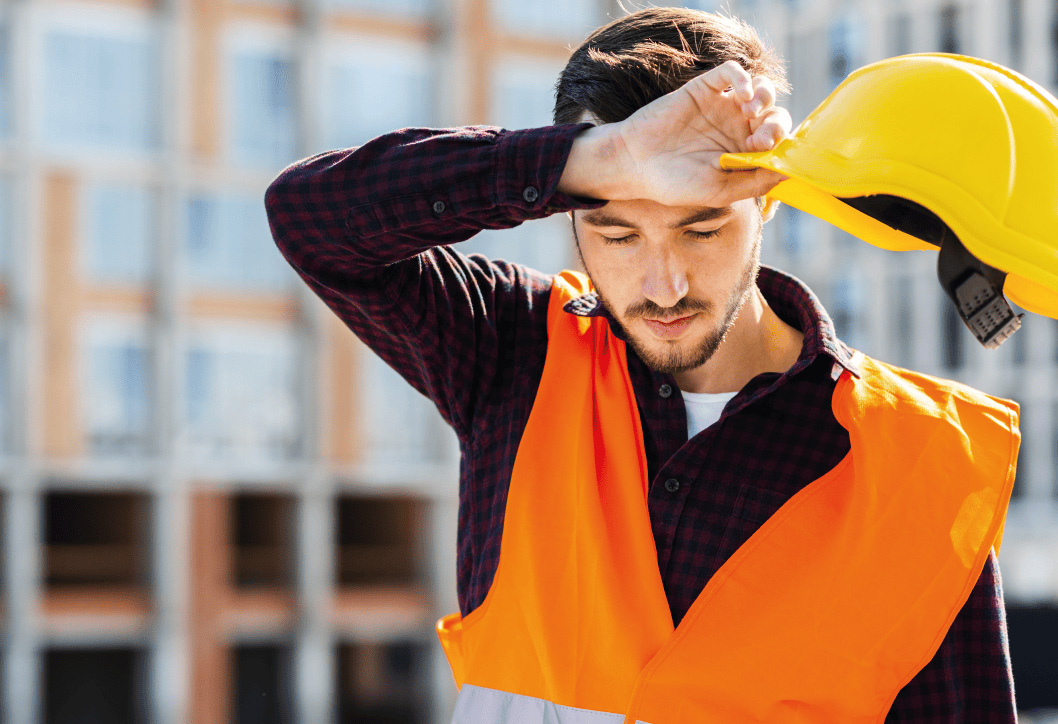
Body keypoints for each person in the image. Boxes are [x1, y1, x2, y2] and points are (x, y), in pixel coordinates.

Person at [265, 7, 1019, 722]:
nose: (664, 288)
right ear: (567, 210)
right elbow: (309, 216)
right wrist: (608, 157)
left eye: (701, 228)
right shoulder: (511, 349)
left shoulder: (924, 464)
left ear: (769, 203)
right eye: (618, 233)